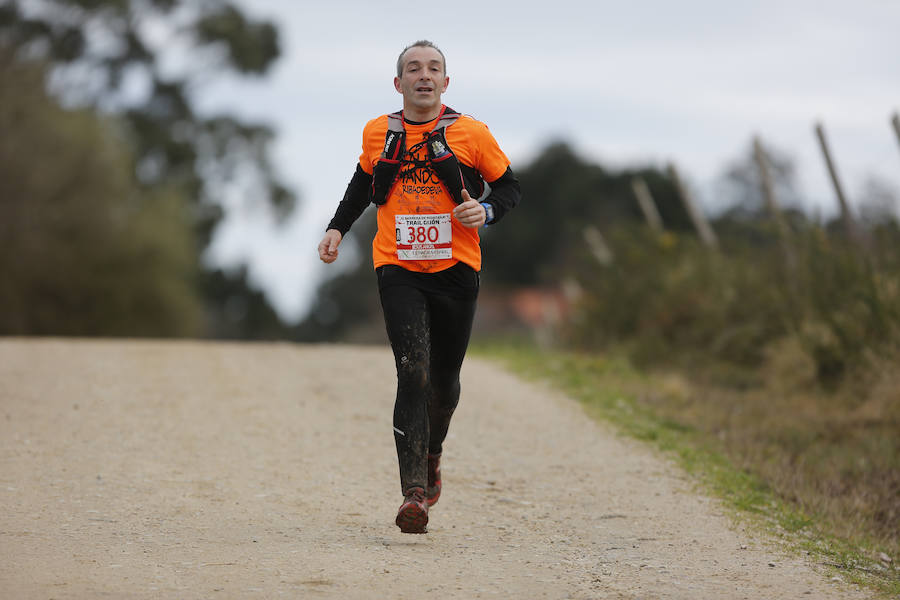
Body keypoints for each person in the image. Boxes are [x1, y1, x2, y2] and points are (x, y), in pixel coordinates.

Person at [317, 40, 521, 534]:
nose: (423, 75)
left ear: (445, 83)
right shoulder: (377, 132)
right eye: (413, 68)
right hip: (397, 266)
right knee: (413, 371)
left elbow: (510, 188)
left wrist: (486, 211)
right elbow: (361, 186)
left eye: (433, 69)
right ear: (399, 83)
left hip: (456, 267)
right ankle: (413, 495)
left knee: (445, 384)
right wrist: (336, 229)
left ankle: (431, 455)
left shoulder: (471, 133)